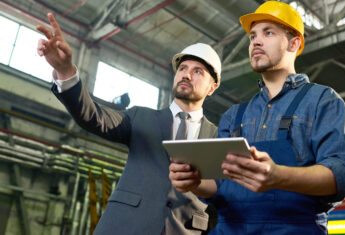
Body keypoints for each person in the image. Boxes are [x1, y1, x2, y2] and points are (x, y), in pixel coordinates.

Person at [169, 0, 345, 234]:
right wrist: (196, 183)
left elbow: (341, 175)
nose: (255, 42)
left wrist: (278, 176)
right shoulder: (234, 116)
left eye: (268, 32)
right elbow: (219, 186)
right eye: (252, 36)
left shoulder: (323, 101)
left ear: (294, 43)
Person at [36, 13, 222, 234]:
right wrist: (66, 71)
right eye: (183, 68)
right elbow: (94, 117)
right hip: (125, 226)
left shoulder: (219, 137)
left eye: (197, 71)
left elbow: (224, 191)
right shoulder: (139, 117)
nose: (186, 75)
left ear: (212, 87)